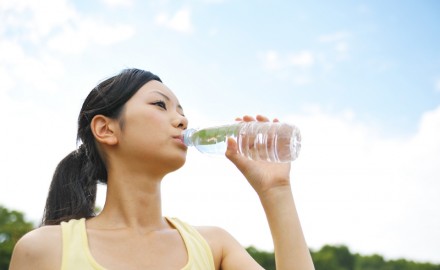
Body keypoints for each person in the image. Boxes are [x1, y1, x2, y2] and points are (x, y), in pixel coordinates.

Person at [9, 68, 315, 270]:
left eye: (182, 112)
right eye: (160, 105)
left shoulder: (214, 247)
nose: (182, 121)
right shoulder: (45, 250)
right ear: (106, 129)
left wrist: (276, 191)